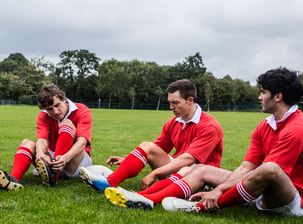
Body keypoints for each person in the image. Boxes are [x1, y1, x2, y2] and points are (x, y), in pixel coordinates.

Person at [159, 67, 303, 216]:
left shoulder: (298, 128)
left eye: (263, 92)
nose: (259, 97)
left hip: (293, 202)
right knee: (202, 169)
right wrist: (221, 188)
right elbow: (247, 167)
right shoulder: (266, 125)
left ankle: (200, 207)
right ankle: (149, 198)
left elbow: (271, 173)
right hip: (264, 193)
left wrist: (218, 191)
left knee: (269, 169)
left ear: (278, 96)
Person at [80, 79, 224, 207]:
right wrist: (127, 162)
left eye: (175, 103)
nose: (171, 107)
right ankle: (109, 182)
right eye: (170, 103)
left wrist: (155, 173)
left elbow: (189, 159)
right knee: (147, 145)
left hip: (200, 177)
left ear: (190, 100)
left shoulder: (209, 126)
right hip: (177, 169)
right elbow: (155, 150)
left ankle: (139, 196)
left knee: (186, 169)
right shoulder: (173, 122)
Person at [0, 84, 92, 188]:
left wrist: (65, 158)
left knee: (67, 123)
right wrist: (40, 154)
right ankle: (13, 180)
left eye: (57, 105)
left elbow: (82, 142)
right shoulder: (44, 115)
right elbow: (42, 139)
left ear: (63, 99)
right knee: (26, 142)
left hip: (76, 162)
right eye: (50, 109)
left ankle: (53, 177)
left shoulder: (82, 110)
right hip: (52, 159)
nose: (55, 111)